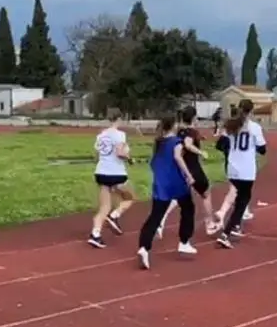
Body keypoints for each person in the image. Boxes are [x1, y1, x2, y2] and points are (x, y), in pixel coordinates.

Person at [136, 115, 197, 269]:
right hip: (175, 182)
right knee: (188, 208)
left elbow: (154, 163)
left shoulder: (159, 143)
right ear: (173, 125)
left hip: (161, 183)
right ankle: (184, 241)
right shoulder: (176, 142)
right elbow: (177, 158)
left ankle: (144, 247)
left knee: (155, 216)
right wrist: (189, 175)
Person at [156, 105, 219, 238]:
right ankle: (210, 224)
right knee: (206, 193)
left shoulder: (179, 131)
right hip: (192, 168)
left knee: (177, 196)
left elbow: (185, 140)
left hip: (180, 169)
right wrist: (201, 152)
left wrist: (199, 138)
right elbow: (188, 144)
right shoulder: (191, 132)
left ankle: (160, 221)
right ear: (194, 118)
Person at [216, 99, 266, 249]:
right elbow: (263, 149)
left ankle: (235, 225)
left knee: (239, 198)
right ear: (251, 111)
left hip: (232, 168)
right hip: (246, 170)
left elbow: (220, 144)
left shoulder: (230, 126)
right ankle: (226, 232)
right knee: (243, 201)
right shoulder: (254, 127)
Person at [88, 113, 136, 248]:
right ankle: (115, 215)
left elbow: (96, 156)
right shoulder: (120, 135)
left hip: (101, 172)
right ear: (119, 119)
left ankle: (95, 234)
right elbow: (120, 153)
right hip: (116, 173)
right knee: (129, 198)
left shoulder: (100, 135)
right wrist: (130, 159)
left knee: (104, 207)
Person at [215, 104, 254, 227]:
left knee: (240, 190)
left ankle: (244, 210)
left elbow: (219, 145)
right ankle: (222, 212)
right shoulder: (244, 128)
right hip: (239, 164)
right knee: (236, 189)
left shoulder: (228, 129)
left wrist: (227, 150)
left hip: (230, 163)